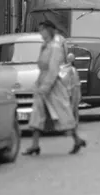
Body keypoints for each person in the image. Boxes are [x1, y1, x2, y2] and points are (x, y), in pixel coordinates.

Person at [23, 20, 86, 156]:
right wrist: (39, 84)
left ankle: (76, 139)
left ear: (49, 30)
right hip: (43, 83)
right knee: (37, 114)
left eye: (42, 30)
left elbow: (53, 69)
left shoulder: (55, 47)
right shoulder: (45, 46)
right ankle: (34, 145)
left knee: (63, 114)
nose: (41, 33)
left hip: (53, 87)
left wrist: (45, 87)